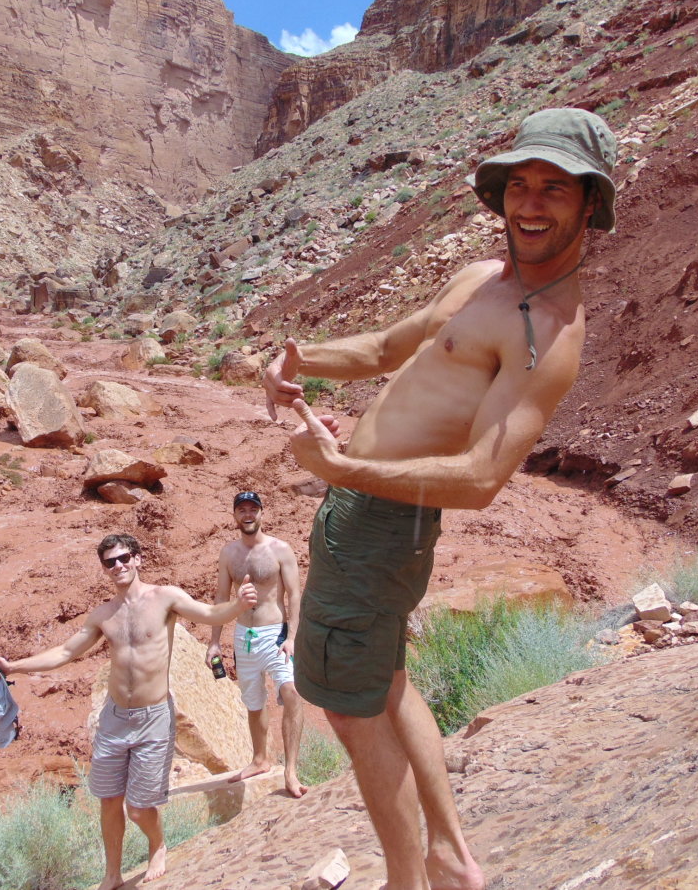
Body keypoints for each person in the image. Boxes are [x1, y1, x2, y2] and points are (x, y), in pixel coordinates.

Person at [262, 108, 617, 890]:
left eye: (553, 188)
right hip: (362, 514)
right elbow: (392, 348)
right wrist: (299, 360)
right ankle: (452, 857)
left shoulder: (549, 332)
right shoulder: (483, 279)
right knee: (385, 681)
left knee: (350, 708)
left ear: (590, 203)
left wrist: (343, 471)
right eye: (519, 184)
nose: (529, 202)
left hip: (380, 524)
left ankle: (408, 880)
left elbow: (484, 477)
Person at [0, 533, 258, 890]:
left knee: (140, 808)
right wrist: (14, 667)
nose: (118, 566)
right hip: (114, 720)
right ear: (104, 568)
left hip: (153, 717)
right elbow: (65, 652)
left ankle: (157, 843)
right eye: (110, 562)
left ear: (138, 558)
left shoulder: (166, 598)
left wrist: (237, 606)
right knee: (109, 800)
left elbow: (208, 614)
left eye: (124, 558)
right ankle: (112, 874)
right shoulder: (104, 615)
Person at [206, 490, 307, 798]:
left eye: (253, 509)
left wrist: (292, 638)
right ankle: (260, 759)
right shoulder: (229, 553)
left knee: (290, 691)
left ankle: (291, 770)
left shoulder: (280, 550)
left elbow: (294, 595)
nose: (247, 514)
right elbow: (222, 598)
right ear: (234, 515)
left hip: (276, 633)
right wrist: (213, 641)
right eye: (242, 510)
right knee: (253, 700)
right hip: (244, 636)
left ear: (262, 513)